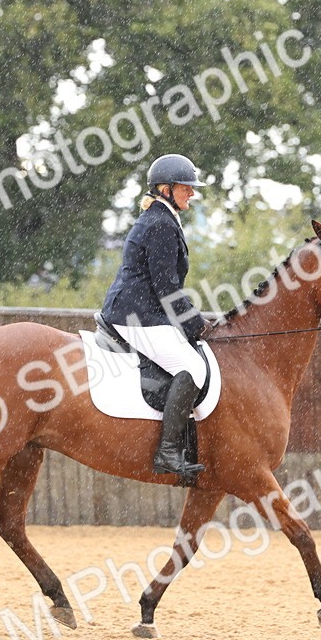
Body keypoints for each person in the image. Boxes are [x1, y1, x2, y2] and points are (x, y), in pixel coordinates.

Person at [101, 153, 213, 483]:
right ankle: (167, 453)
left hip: (142, 309)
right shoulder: (161, 224)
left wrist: (194, 320)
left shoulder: (162, 218)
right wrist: (195, 324)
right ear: (165, 189)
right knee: (192, 367)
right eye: (186, 188)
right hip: (136, 314)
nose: (191, 193)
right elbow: (166, 287)